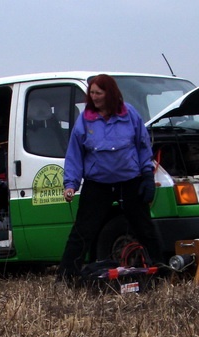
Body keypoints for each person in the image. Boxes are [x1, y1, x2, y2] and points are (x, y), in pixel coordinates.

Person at [57, 74, 163, 281]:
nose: (94, 97)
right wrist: (70, 184)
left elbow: (143, 147)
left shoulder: (130, 114)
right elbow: (74, 155)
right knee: (82, 231)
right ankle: (66, 276)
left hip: (130, 181)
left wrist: (147, 178)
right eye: (92, 93)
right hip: (98, 184)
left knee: (144, 228)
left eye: (98, 93)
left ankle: (159, 270)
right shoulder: (84, 120)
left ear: (110, 93)